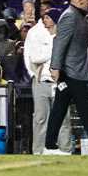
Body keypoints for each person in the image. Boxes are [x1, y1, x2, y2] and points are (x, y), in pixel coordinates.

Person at [43, 0, 88, 155]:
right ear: (81, 1)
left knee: (60, 110)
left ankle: (49, 145)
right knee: (84, 110)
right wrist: (55, 67)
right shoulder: (70, 16)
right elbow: (59, 42)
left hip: (74, 71)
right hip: (72, 72)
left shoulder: (78, 16)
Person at [24, 10, 56, 154]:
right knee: (40, 118)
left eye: (49, 18)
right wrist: (33, 74)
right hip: (41, 79)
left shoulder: (62, 33)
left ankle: (65, 149)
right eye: (44, 18)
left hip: (59, 81)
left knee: (63, 119)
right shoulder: (35, 32)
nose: (46, 21)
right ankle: (38, 151)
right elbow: (32, 57)